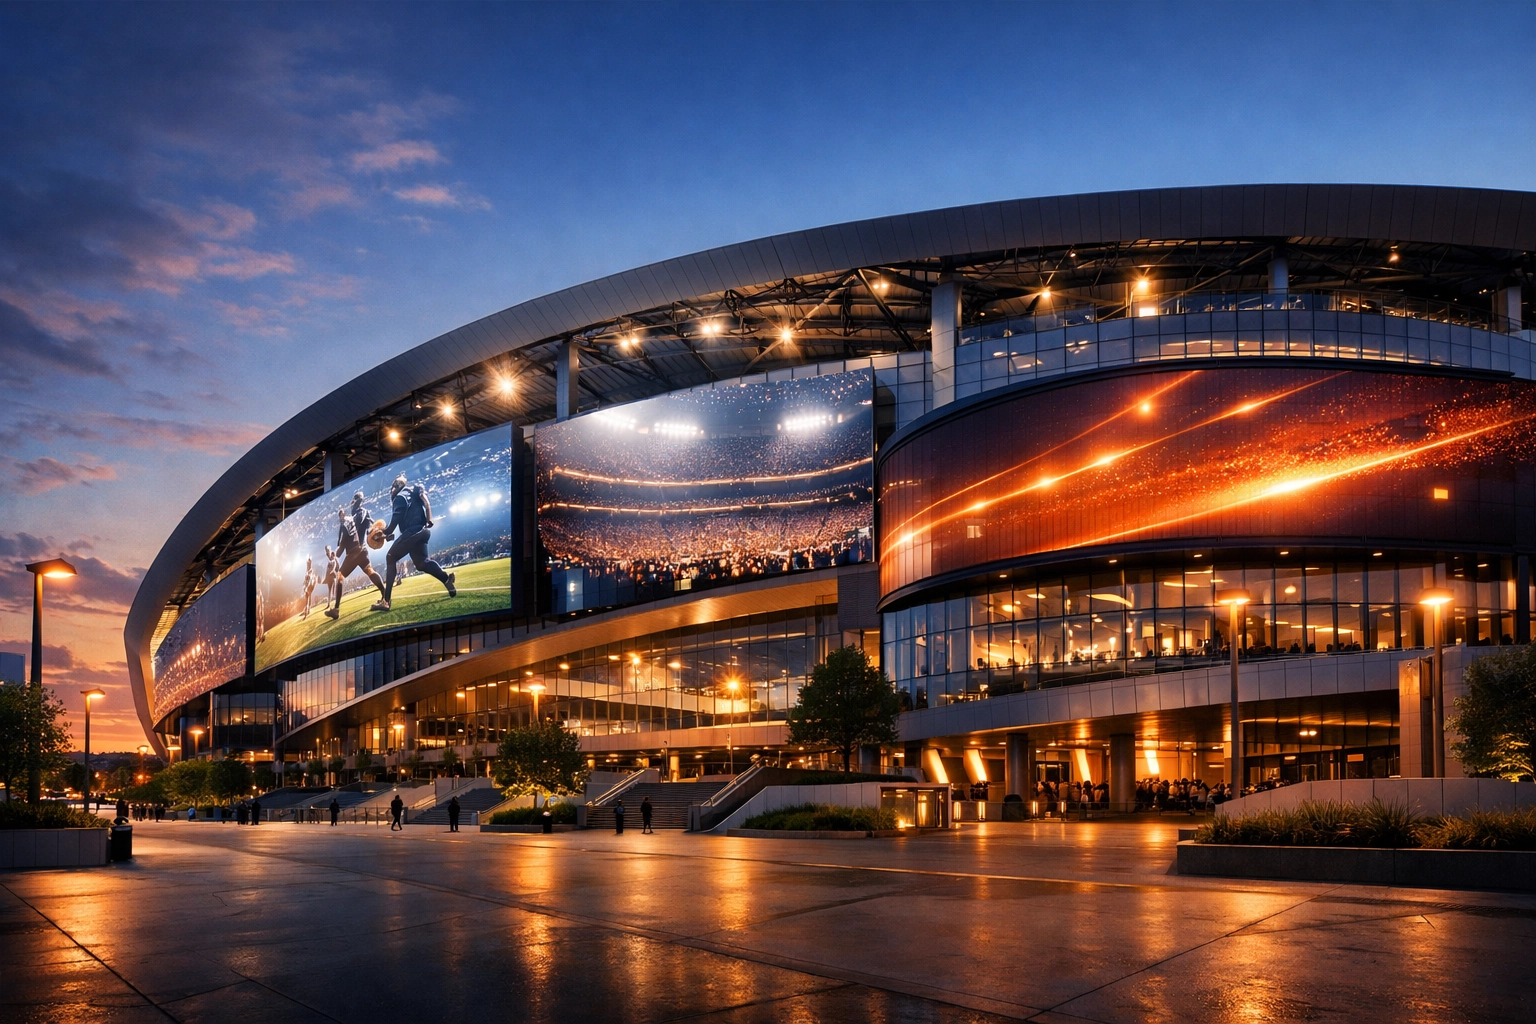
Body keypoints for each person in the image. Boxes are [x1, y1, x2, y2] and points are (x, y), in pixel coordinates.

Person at [373, 475, 455, 611]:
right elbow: (426, 501)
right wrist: (429, 518)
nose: (391, 492)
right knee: (422, 562)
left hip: (412, 533)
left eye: (392, 489)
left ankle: (386, 601)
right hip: (423, 531)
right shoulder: (414, 491)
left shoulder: (399, 499)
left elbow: (391, 528)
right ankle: (446, 579)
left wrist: (379, 532)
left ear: (395, 487)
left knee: (390, 557)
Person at [328, 493, 387, 619]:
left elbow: (350, 535)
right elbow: (373, 529)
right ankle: (385, 596)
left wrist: (338, 551)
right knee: (370, 571)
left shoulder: (355, 515)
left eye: (353, 501)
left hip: (355, 551)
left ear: (356, 501)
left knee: (339, 576)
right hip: (364, 550)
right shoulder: (366, 513)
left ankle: (336, 609)